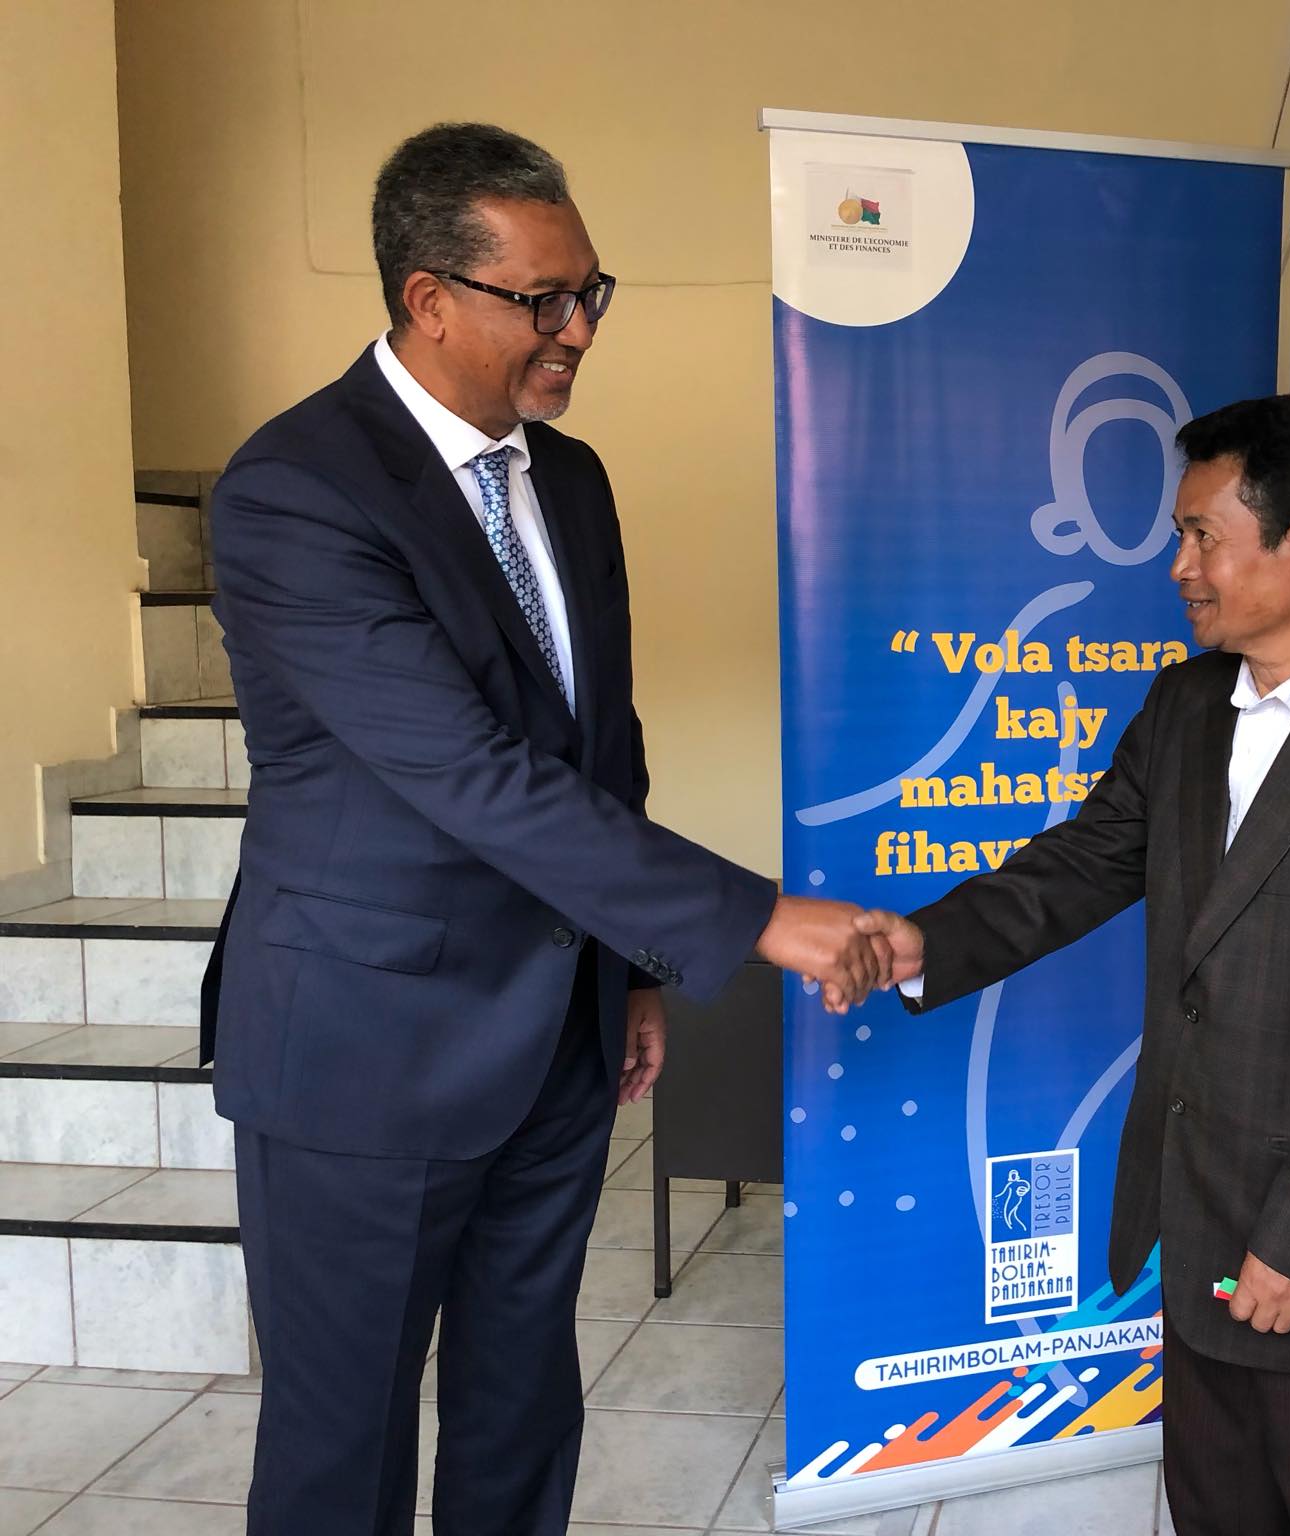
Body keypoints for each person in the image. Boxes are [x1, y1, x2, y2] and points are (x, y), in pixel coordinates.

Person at [201, 123, 885, 1536]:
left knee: (521, 1407)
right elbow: (471, 774)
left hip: (556, 1041)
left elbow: (599, 745)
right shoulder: (297, 491)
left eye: (590, 293)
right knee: (343, 1444)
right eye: (544, 299)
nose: (579, 328)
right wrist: (755, 917)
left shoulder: (567, 480)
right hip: (364, 1053)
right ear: (427, 299)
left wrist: (629, 970)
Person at [858, 395, 1290, 1536]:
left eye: (1203, 536)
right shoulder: (1187, 701)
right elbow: (1086, 861)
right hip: (1193, 1217)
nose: (1179, 566)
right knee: (1214, 1509)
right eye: (1179, 535)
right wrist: (921, 943)